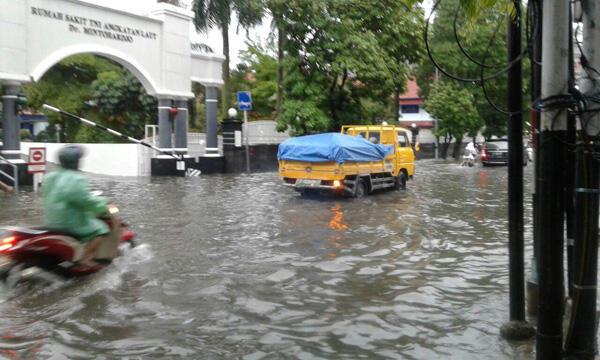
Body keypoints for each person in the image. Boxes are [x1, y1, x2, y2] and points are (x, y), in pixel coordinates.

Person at [42, 145, 110, 267]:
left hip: (51, 221)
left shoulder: (49, 177)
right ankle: (85, 258)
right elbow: (86, 200)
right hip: (69, 222)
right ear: (75, 162)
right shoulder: (75, 179)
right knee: (102, 230)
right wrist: (103, 204)